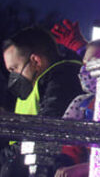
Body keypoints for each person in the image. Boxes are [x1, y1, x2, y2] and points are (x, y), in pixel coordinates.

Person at [1, 27, 83, 177]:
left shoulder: (62, 77)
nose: (13, 76)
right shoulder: (32, 88)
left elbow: (46, 128)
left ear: (35, 60)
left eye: (14, 68)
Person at [55, 37, 100, 177]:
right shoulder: (82, 104)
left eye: (92, 63)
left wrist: (89, 168)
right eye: (84, 63)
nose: (85, 70)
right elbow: (68, 146)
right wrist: (67, 166)